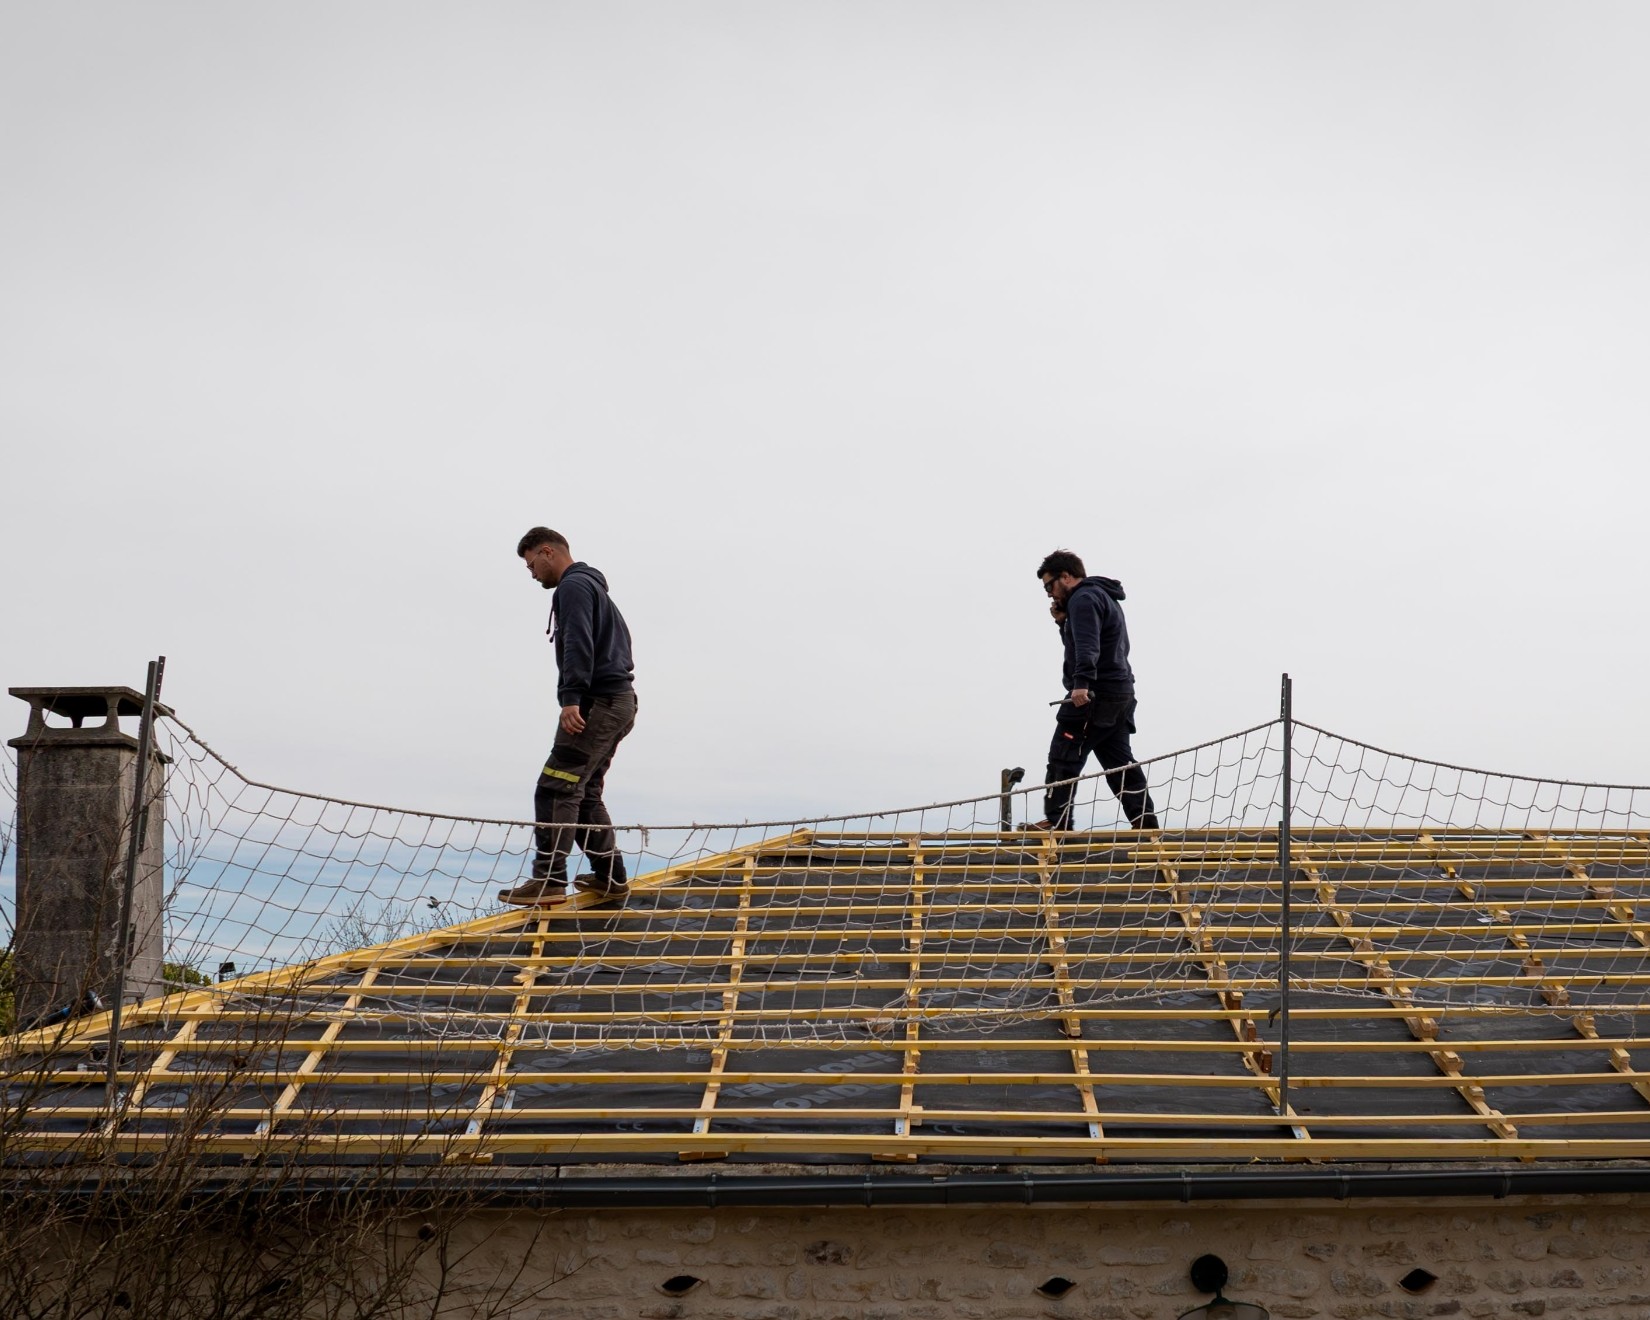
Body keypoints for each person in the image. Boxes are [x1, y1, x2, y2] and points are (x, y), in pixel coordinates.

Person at [499, 527, 638, 905]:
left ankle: (549, 880)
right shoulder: (594, 588)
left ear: (547, 551)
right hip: (619, 701)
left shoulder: (573, 587)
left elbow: (578, 640)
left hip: (598, 701)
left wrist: (571, 697)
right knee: (584, 792)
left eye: (531, 565)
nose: (531, 574)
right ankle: (611, 878)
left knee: (555, 786)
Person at [1032, 549, 1160, 832]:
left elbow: (1088, 646)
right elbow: (1086, 640)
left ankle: (1057, 822)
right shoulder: (1102, 596)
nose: (1048, 593)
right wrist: (1063, 623)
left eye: (1049, 585)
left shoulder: (1084, 599)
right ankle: (1146, 825)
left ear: (1066, 576)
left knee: (1063, 754)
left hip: (1094, 694)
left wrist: (1081, 685)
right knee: (1119, 763)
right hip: (1120, 693)